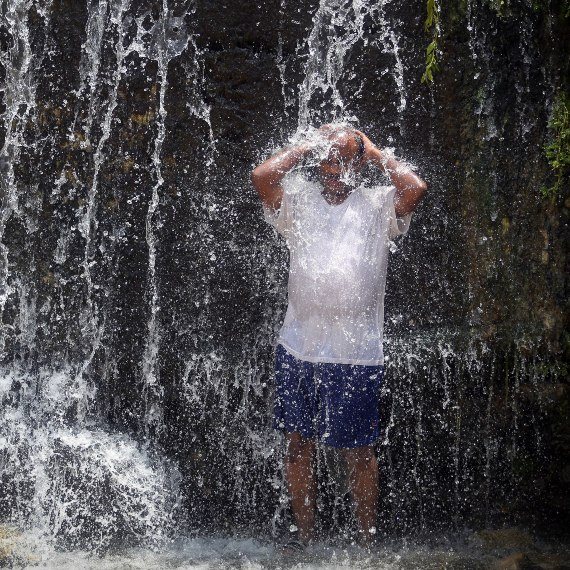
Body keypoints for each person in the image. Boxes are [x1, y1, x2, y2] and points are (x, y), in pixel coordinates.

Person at [251, 124, 427, 549]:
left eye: (342, 161)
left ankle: (366, 543)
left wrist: (370, 149)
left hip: (356, 351)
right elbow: (261, 177)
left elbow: (415, 186)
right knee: (297, 446)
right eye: (327, 162)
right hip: (299, 346)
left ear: (357, 165)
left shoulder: (378, 205)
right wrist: (310, 145)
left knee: (361, 452)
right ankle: (307, 539)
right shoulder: (298, 202)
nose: (333, 170)